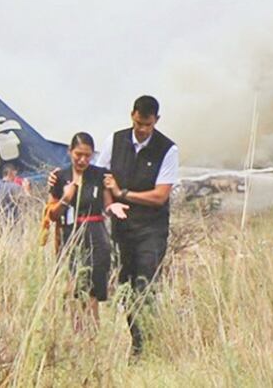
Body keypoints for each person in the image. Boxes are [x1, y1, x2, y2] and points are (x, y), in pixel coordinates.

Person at [100, 95, 179, 353]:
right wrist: (111, 203)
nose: (142, 130)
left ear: (156, 120)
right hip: (122, 229)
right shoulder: (115, 140)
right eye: (138, 123)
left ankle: (144, 346)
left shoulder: (167, 149)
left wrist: (123, 194)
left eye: (147, 125)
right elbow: (102, 177)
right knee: (126, 285)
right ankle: (137, 340)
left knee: (145, 284)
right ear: (132, 115)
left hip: (151, 230)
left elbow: (159, 196)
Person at [47, 132, 128, 325]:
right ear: (69, 152)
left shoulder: (100, 175)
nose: (83, 160)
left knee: (92, 288)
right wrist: (66, 199)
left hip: (95, 233)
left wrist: (113, 207)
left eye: (87, 155)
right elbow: (51, 214)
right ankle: (74, 330)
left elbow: (107, 205)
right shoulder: (60, 177)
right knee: (73, 287)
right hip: (70, 234)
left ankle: (92, 333)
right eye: (78, 155)